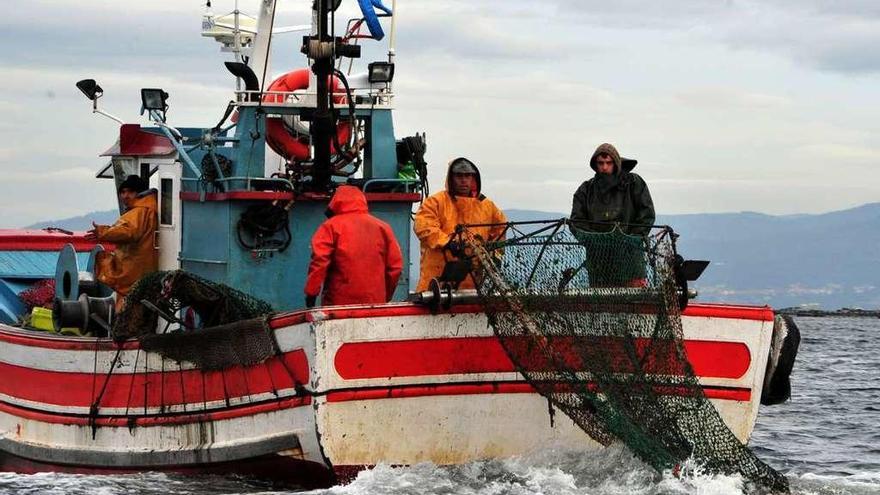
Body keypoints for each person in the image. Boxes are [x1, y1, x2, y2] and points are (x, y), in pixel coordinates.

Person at [413, 157, 507, 291]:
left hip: (473, 285)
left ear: (473, 178)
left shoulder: (487, 205)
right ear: (451, 178)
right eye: (459, 176)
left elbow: (501, 229)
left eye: (467, 176)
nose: (463, 180)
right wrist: (447, 243)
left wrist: (496, 253)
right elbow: (424, 226)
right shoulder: (435, 202)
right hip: (436, 283)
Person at [570, 143, 655, 286]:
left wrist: (630, 238)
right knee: (603, 302)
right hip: (599, 262)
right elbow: (577, 222)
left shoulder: (633, 183)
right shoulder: (586, 190)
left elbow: (646, 214)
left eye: (608, 163)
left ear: (616, 163)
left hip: (630, 260)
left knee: (635, 301)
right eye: (600, 163)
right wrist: (596, 241)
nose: (604, 167)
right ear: (595, 164)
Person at [304, 185, 403, 307]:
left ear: (336, 201)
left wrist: (311, 294)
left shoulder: (330, 227)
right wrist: (384, 296)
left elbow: (319, 262)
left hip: (339, 304)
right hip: (375, 303)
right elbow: (395, 268)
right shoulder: (383, 227)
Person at [85, 175, 159, 310]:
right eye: (122, 192)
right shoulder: (149, 208)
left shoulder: (138, 212)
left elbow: (128, 231)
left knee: (128, 309)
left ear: (139, 193)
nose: (125, 196)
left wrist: (103, 232)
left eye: (130, 192)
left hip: (134, 271)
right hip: (144, 269)